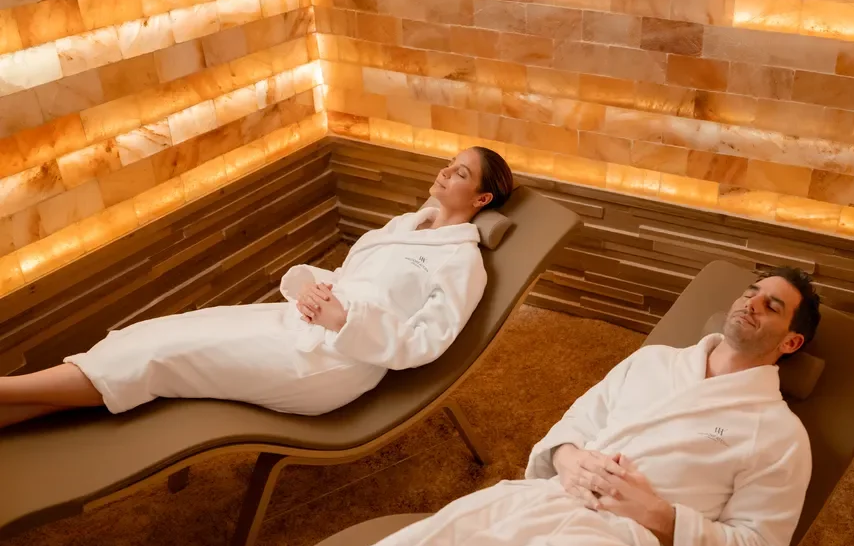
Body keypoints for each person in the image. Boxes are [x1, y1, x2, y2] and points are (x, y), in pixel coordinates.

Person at [240, 267, 822, 546]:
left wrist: (661, 515)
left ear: (790, 342)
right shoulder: (654, 363)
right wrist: (567, 461)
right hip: (545, 499)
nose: (752, 303)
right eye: (752, 291)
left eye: (773, 305)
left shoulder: (777, 434)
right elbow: (571, 427)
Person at [0, 147, 514, 429]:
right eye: (450, 163)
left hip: (333, 363)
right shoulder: (405, 224)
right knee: (153, 332)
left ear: (482, 195)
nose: (446, 171)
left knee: (164, 355)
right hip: (302, 325)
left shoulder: (462, 261)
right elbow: (351, 279)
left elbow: (428, 341)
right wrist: (319, 291)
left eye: (461, 172)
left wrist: (344, 319)